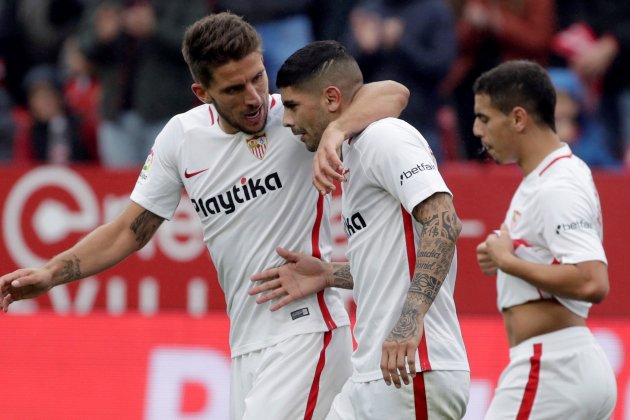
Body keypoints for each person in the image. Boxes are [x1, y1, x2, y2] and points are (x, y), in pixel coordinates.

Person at [0, 12, 410, 420]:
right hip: (246, 345)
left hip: (307, 330)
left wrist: (336, 132)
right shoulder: (182, 139)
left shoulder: (295, 116)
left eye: (258, 77)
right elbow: (129, 230)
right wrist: (51, 274)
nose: (253, 97)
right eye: (234, 88)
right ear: (202, 92)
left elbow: (393, 93)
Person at [250, 40, 469, 419]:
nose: (286, 121)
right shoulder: (353, 149)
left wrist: (409, 319)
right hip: (373, 374)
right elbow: (395, 261)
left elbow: (444, 221)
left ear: (332, 98)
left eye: (293, 105)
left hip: (414, 369)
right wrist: (329, 274)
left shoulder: (385, 138)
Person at [472, 60, 617, 419]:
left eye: (485, 118)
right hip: (567, 366)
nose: (476, 130)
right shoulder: (547, 178)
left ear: (518, 118)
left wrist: (509, 262)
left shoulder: (558, 184)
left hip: (552, 367)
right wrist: (507, 259)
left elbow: (592, 280)